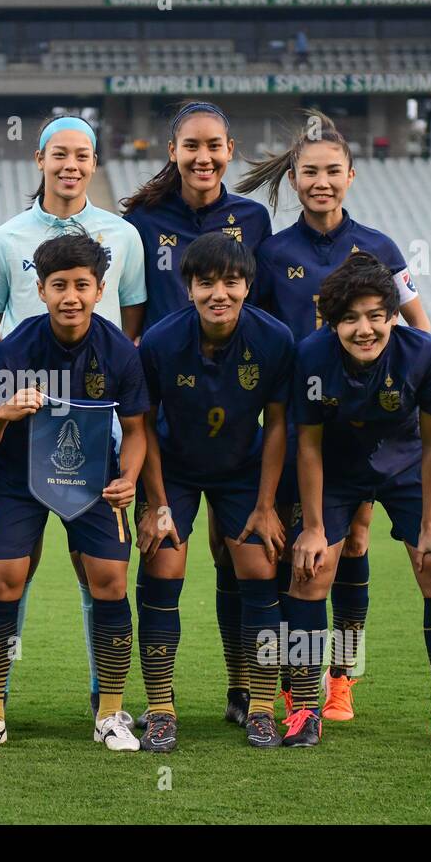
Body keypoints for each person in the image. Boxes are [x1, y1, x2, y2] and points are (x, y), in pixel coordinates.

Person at [240, 109, 431, 721]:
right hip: (302, 425)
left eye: (332, 171)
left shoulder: (380, 247)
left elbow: (420, 328)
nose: (321, 182)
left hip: (370, 426)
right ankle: (296, 683)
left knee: (353, 545)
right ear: (293, 180)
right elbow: (261, 337)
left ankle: (342, 675)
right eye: (309, 172)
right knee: (300, 550)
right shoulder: (272, 253)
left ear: (350, 175)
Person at [0, 112, 147, 719]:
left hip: (92, 434)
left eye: (82, 155)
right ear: (39, 160)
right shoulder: (6, 239)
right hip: (22, 433)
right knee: (8, 575)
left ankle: (108, 703)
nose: (70, 164)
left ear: (94, 164)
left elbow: (126, 339)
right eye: (59, 154)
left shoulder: (122, 237)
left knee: (99, 574)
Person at [287, 252, 431, 750]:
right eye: (351, 318)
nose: (365, 328)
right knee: (309, 572)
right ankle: (306, 709)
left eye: (377, 315)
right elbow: (307, 445)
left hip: (405, 468)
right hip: (335, 471)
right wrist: (312, 526)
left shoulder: (425, 355)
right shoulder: (310, 357)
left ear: (394, 314)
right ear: (332, 322)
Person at [122, 100, 273, 727]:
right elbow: (132, 308)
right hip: (166, 416)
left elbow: (264, 312)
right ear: (173, 152)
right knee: (164, 554)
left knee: (247, 559)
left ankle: (251, 695)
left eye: (214, 146)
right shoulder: (144, 219)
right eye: (191, 146)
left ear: (230, 150)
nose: (203, 157)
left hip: (237, 418)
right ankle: (160, 706)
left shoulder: (253, 220)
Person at [136, 233, 293, 750]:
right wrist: (158, 504)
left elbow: (277, 427)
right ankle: (160, 706)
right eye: (206, 283)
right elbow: (144, 425)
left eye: (230, 281)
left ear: (247, 285)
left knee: (259, 567)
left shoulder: (274, 340)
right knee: (163, 563)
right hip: (175, 471)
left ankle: (259, 706)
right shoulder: (159, 341)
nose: (218, 293)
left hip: (242, 472)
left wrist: (268, 506)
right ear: (189, 288)